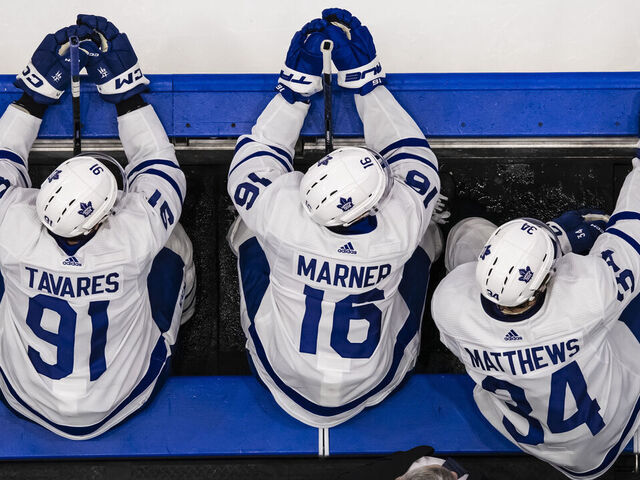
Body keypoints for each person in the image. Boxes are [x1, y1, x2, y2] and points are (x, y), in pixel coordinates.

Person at [227, 8, 444, 427]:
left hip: (284, 375)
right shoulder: (399, 229)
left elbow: (256, 157)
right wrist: (367, 83)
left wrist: (294, 90)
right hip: (374, 379)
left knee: (246, 231)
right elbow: (411, 155)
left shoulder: (283, 219)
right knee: (427, 232)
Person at [0, 15, 195, 439]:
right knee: (175, 240)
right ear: (108, 216)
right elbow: (160, 168)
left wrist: (34, 98)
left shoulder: (11, 230)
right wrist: (126, 95)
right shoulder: (132, 239)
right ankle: (189, 309)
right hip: (121, 395)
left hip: (23, 391)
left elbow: (4, 158)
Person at [432, 164, 640, 478]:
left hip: (534, 435)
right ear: (544, 283)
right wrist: (559, 235)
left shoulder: (449, 305)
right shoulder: (586, 296)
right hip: (610, 422)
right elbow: (632, 226)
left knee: (469, 232)